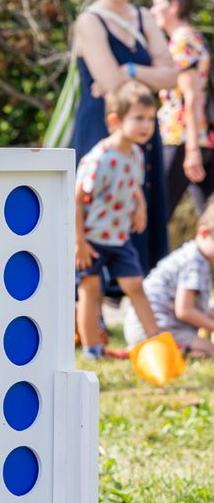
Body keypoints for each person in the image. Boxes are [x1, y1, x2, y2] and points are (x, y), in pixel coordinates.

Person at [71, 0, 178, 276]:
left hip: (142, 132)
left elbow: (172, 76)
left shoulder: (144, 17)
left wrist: (131, 70)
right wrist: (144, 77)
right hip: (102, 129)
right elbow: (111, 85)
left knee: (142, 214)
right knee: (95, 212)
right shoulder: (89, 21)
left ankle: (136, 290)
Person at [75, 81, 161, 359]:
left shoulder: (136, 154)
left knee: (135, 284)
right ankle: (92, 350)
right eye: (138, 118)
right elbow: (75, 199)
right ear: (115, 120)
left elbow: (134, 185)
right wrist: (79, 242)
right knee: (91, 290)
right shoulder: (99, 159)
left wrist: (141, 207)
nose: (146, 125)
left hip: (119, 237)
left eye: (150, 119)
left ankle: (157, 344)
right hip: (91, 239)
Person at [149, 0, 214, 219]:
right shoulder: (194, 37)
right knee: (209, 216)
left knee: (156, 214)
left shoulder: (183, 41)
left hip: (181, 139)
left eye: (158, 3)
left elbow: (192, 94)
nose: (154, 10)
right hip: (199, 139)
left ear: (173, 6)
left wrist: (192, 149)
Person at [123, 197, 214, 355]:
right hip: (154, 327)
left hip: (145, 325)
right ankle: (150, 351)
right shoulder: (194, 262)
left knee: (204, 350)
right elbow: (184, 311)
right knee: (209, 349)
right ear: (205, 233)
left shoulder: (196, 256)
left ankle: (151, 350)